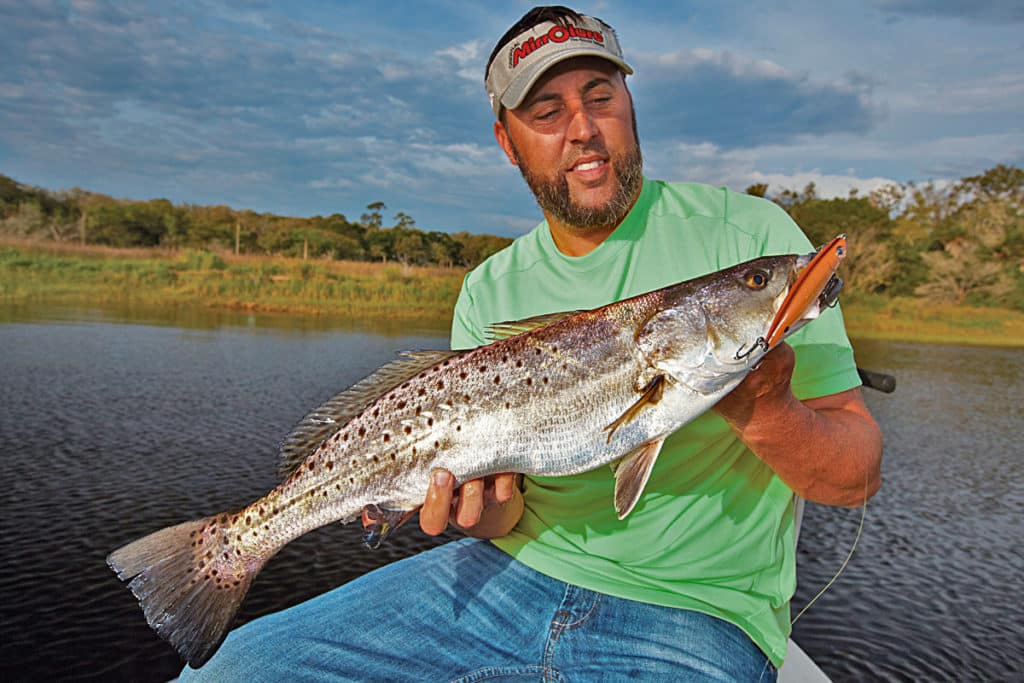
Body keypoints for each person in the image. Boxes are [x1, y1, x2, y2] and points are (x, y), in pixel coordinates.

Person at [182, 6, 882, 681]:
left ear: (631, 107)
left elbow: (854, 476)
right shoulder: (490, 289)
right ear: (506, 141)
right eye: (546, 113)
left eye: (601, 96)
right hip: (505, 577)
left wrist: (761, 405)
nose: (583, 129)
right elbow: (504, 506)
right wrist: (474, 507)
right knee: (235, 670)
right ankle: (230, 549)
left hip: (696, 614)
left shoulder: (752, 237)